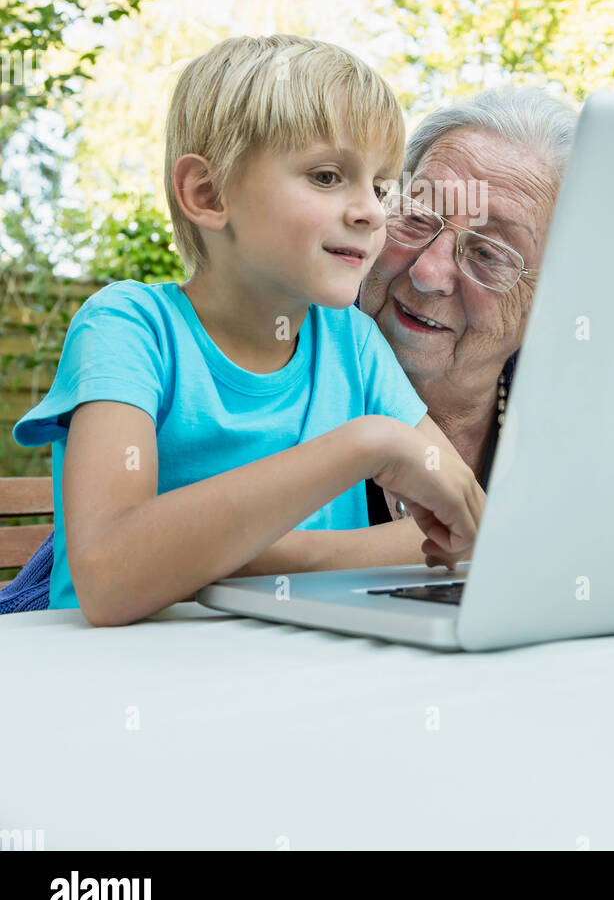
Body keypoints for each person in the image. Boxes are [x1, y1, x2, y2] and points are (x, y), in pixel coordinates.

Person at [8, 35, 482, 624]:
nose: (372, 212)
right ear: (207, 194)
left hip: (287, 670)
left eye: (381, 187)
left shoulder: (354, 345)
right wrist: (364, 446)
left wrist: (255, 562)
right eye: (328, 176)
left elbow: (463, 528)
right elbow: (109, 578)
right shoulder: (127, 329)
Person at [359, 85, 579, 524]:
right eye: (417, 217)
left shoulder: (577, 432)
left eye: (488, 253)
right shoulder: (283, 371)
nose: (427, 272)